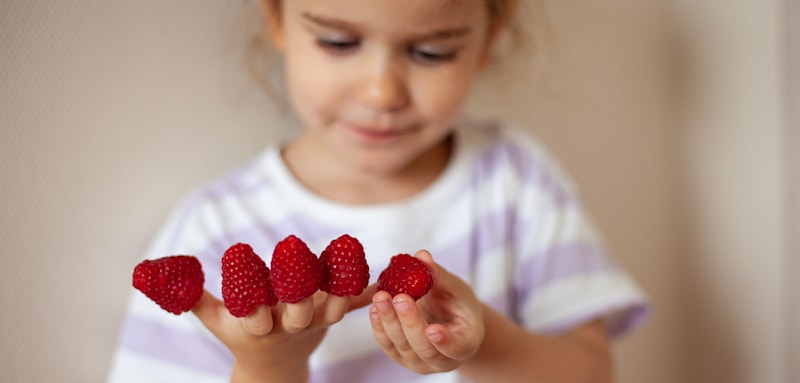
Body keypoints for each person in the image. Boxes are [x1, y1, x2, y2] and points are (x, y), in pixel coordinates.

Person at [107, 0, 648, 382]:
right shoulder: (215, 227)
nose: (381, 92)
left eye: (431, 51)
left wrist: (484, 342)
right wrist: (268, 367)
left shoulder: (515, 180)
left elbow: (591, 372)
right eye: (338, 42)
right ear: (275, 16)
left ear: (488, 39)